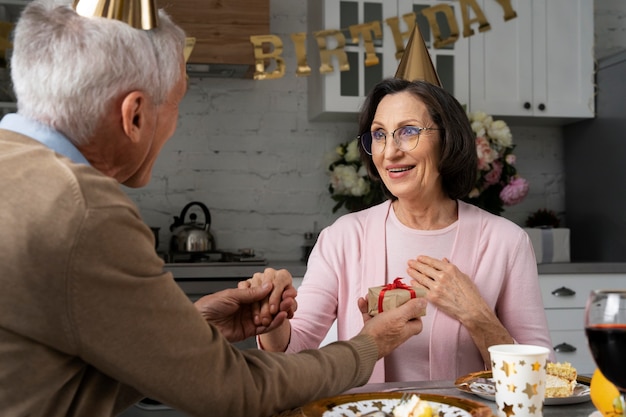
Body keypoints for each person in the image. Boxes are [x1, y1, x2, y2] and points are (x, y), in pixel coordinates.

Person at [0, 1, 428, 416]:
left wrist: (189, 331)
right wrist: (368, 346)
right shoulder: (83, 208)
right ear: (133, 116)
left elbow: (52, 380)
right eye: (176, 103)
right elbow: (235, 392)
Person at [249, 77, 555, 383]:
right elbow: (292, 353)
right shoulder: (342, 238)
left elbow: (542, 380)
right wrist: (273, 320)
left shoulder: (506, 242)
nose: (390, 152)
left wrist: (478, 317)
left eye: (408, 131)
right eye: (379, 134)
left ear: (447, 139)